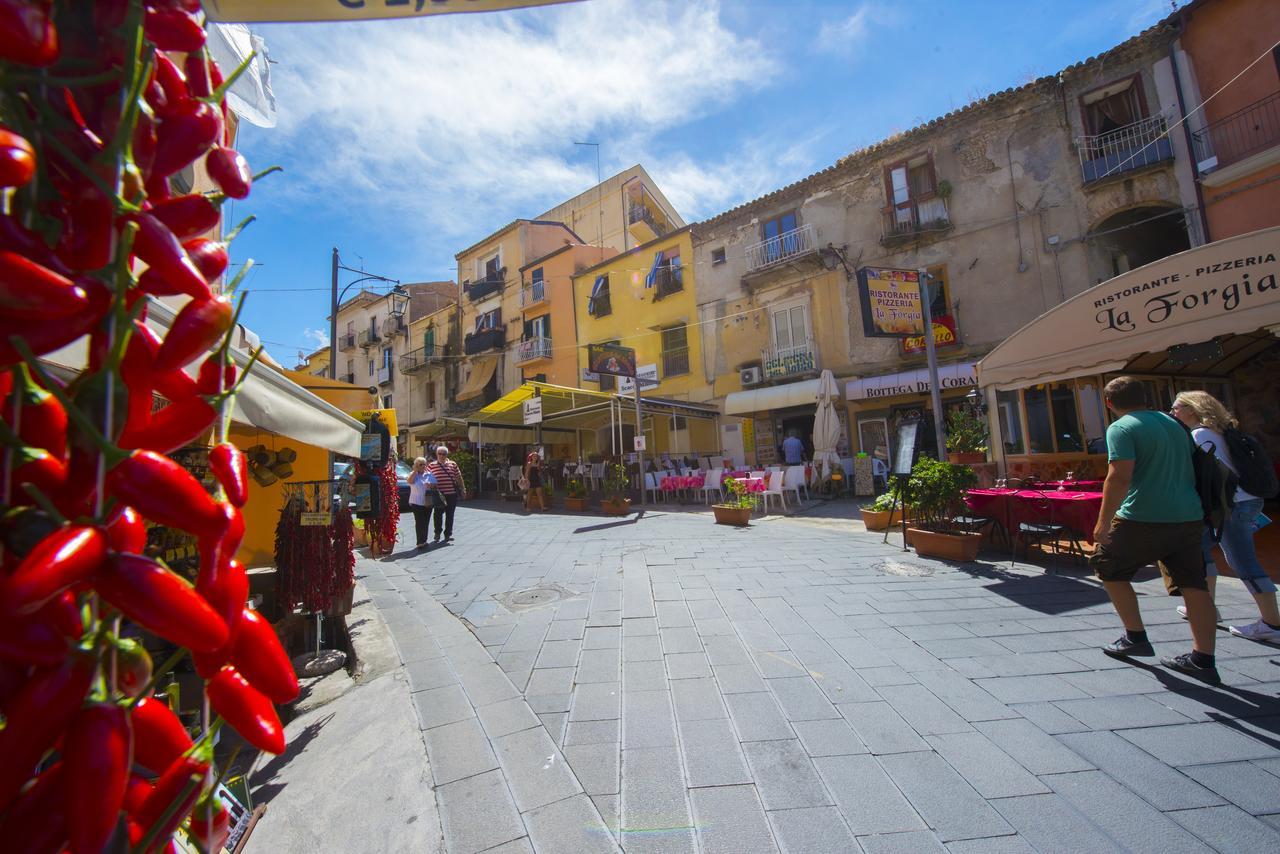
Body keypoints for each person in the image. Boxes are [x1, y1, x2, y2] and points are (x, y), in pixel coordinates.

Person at [1090, 376, 1221, 683]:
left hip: (1142, 514)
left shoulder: (1122, 427)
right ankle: (1203, 657)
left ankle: (1135, 636)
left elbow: (1119, 477)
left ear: (1109, 404)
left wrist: (1103, 520)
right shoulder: (1174, 423)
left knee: (1107, 566)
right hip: (1188, 514)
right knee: (1194, 583)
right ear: (1145, 397)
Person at [1171, 391, 1280, 643]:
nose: (1173, 412)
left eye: (1176, 408)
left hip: (1231, 505)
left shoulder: (1199, 436)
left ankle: (1272, 623)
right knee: (1199, 548)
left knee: (1243, 561)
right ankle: (1204, 606)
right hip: (1245, 501)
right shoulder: (1222, 433)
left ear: (1192, 410)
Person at [426, 445, 464, 543]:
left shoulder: (453, 464)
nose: (442, 455)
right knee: (438, 514)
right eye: (440, 454)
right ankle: (437, 532)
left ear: (447, 454)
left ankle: (448, 534)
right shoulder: (431, 465)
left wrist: (463, 489)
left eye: (444, 454)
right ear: (436, 454)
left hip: (451, 494)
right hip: (438, 494)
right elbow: (426, 478)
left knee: (450, 514)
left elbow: (458, 477)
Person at [406, 456, 438, 550]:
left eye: (424, 464)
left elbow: (435, 485)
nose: (423, 466)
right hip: (416, 501)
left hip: (427, 501)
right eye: (420, 464)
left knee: (426, 521)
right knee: (419, 521)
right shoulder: (413, 474)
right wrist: (415, 471)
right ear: (416, 465)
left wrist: (431, 485)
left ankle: (424, 540)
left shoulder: (429, 474)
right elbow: (409, 481)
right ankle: (420, 542)